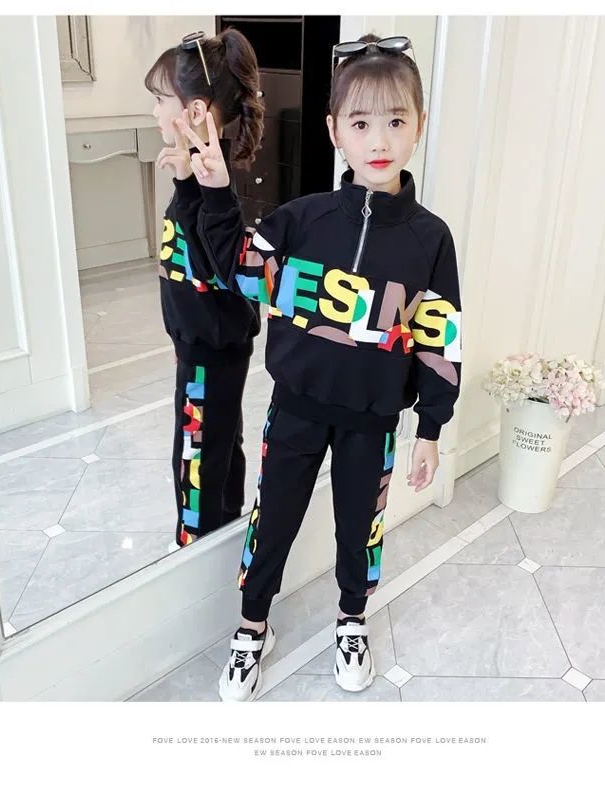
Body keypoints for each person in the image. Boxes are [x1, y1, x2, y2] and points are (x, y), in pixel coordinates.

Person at [181, 33, 463, 701]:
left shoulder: (430, 238)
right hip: (297, 408)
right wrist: (215, 191)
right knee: (273, 519)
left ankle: (352, 620)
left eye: (395, 120)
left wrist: (430, 428)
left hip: (372, 418)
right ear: (335, 130)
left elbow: (438, 335)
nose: (379, 140)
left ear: (420, 124)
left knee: (358, 529)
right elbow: (237, 268)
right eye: (360, 123)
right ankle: (252, 626)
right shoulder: (301, 221)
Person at [144, 29, 264, 547]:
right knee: (218, 445)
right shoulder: (199, 181)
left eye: (160, 99)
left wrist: (200, 188)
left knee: (198, 455)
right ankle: (222, 533)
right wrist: (185, 181)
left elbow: (222, 263)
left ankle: (196, 550)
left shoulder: (218, 190)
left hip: (209, 349)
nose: (154, 112)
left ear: (194, 110)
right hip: (204, 346)